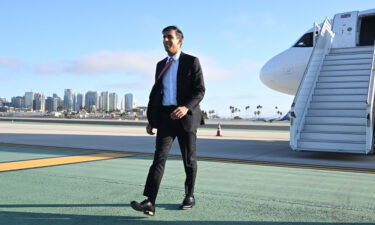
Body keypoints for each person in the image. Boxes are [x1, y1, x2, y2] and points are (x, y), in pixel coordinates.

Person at [130, 25, 205, 216]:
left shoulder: (192, 61)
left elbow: (200, 90)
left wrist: (186, 107)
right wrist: (152, 120)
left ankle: (189, 195)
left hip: (186, 117)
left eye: (169, 37)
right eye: (163, 37)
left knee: (189, 159)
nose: (165, 40)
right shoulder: (160, 65)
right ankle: (150, 201)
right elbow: (158, 95)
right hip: (165, 118)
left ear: (180, 40)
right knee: (158, 159)